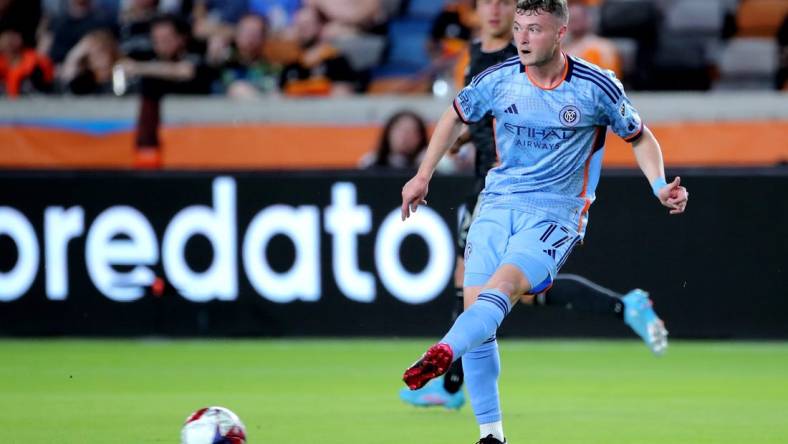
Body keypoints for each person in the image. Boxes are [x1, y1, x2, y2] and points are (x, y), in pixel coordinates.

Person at [399, 1, 689, 443]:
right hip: (495, 204)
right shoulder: (498, 80)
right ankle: (491, 435)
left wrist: (659, 185)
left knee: (505, 287)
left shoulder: (597, 87)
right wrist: (422, 175)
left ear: (561, 33)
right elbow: (454, 115)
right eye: (519, 28)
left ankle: (442, 350)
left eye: (534, 29)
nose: (522, 38)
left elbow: (639, 136)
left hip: (556, 211)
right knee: (480, 313)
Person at [359, 110, 429, 169]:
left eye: (412, 132)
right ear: (388, 133)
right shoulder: (371, 162)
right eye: (400, 130)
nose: (405, 137)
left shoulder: (427, 165)